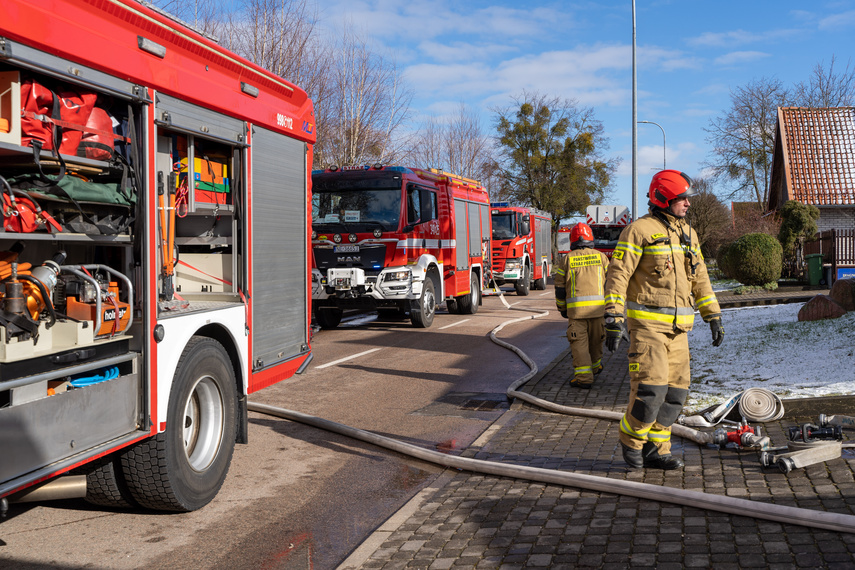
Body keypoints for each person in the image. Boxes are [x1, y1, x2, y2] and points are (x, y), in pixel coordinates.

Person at [603, 170, 724, 470]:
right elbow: (618, 275)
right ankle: (631, 441)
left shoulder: (689, 235)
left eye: (687, 198)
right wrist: (613, 316)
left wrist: (713, 315)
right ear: (664, 199)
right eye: (682, 198)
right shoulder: (638, 231)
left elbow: (701, 279)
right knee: (650, 391)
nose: (687, 204)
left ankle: (657, 449)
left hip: (679, 331)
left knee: (676, 394)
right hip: (647, 330)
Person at [554, 222, 610, 388]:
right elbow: (611, 283)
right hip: (599, 312)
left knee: (580, 346)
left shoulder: (567, 260)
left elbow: (560, 289)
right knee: (596, 342)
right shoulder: (601, 257)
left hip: (576, 314)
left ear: (573, 240)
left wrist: (562, 309)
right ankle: (595, 367)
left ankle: (584, 379)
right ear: (590, 238)